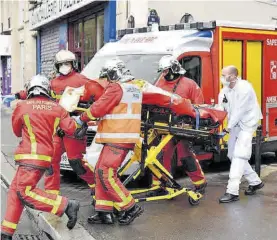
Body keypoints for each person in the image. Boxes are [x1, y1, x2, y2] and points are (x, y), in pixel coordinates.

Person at [1, 75, 81, 240]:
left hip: (28, 156)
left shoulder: (22, 106)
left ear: (30, 88)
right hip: (45, 157)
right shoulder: (58, 108)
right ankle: (6, 232)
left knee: (24, 192)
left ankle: (66, 205)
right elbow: (72, 129)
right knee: (15, 192)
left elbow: (17, 131)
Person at [15, 50, 95, 196]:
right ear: (57, 66)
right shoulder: (53, 83)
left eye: (67, 63)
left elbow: (96, 98)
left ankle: (96, 186)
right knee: (51, 162)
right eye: (61, 64)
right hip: (57, 128)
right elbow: (39, 91)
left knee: (76, 163)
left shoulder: (83, 81)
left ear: (73, 64)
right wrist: (21, 94)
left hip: (73, 128)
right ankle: (52, 195)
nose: (64, 66)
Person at [76, 58, 144, 225]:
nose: (105, 82)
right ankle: (104, 212)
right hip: (123, 136)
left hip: (117, 137)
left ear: (113, 75)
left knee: (105, 173)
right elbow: (118, 112)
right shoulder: (134, 88)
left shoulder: (116, 87)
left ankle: (130, 206)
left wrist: (82, 118)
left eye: (106, 77)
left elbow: (100, 107)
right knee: (100, 172)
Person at [151, 55, 207, 196]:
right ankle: (161, 185)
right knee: (161, 156)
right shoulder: (160, 83)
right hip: (165, 125)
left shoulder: (189, 84)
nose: (164, 74)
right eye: (162, 71)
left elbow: (199, 106)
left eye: (166, 71)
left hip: (183, 126)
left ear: (174, 69)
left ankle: (199, 183)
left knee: (185, 155)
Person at [218, 65, 264, 203]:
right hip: (236, 125)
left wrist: (227, 127)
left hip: (247, 125)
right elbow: (221, 108)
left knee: (239, 156)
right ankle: (255, 182)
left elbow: (239, 110)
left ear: (232, 76)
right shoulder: (225, 90)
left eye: (224, 75)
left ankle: (232, 191)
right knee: (231, 154)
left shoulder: (245, 88)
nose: (221, 77)